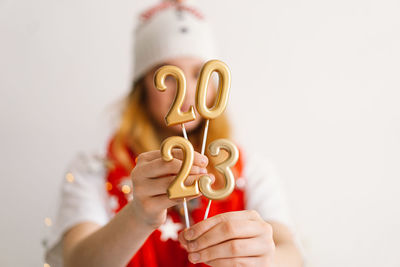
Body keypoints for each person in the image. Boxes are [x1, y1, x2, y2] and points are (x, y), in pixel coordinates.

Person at [44, 1, 303, 266]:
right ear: (143, 86)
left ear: (215, 86)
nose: (187, 92)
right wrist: (138, 215)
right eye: (168, 76)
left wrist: (266, 258)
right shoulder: (95, 169)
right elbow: (77, 262)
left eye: (198, 74)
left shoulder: (248, 170)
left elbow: (292, 254)